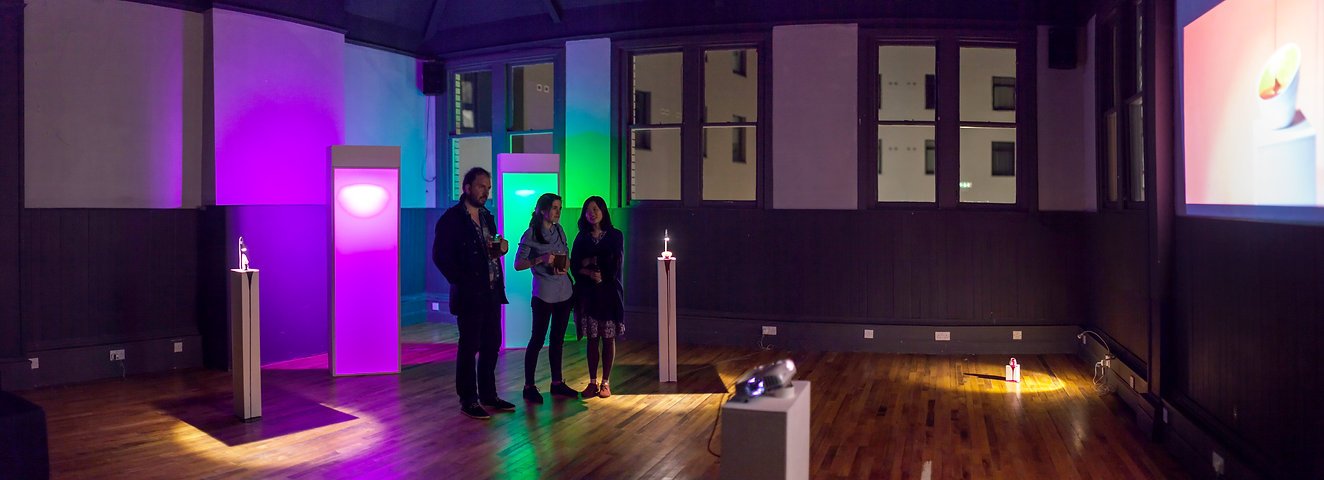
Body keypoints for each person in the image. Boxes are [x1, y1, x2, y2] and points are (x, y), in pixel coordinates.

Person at [432, 167, 514, 419]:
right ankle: (468, 399)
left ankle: (489, 394)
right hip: (470, 294)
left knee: (492, 344)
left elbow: (489, 250)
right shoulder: (452, 219)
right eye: (481, 186)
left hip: (491, 291)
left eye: (488, 188)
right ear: (467, 188)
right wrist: (462, 281)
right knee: (469, 346)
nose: (485, 192)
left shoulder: (487, 216)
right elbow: (440, 256)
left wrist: (501, 248)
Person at [513, 193, 579, 403]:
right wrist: (540, 259)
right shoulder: (530, 234)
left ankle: (557, 382)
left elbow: (566, 256)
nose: (558, 212)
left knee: (558, 339)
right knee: (537, 339)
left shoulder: (559, 230)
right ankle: (529, 385)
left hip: (563, 292)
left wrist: (564, 266)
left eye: (559, 208)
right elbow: (518, 264)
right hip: (543, 294)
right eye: (554, 208)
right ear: (543, 210)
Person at [571, 196, 625, 398]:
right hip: (588, 295)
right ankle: (592, 382)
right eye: (588, 210)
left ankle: (606, 382)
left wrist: (594, 263)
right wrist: (587, 271)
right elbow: (574, 264)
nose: (591, 213)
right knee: (592, 338)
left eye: (595, 209)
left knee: (608, 337)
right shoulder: (581, 237)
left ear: (603, 211)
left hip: (609, 293)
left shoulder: (615, 235)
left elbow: (615, 262)